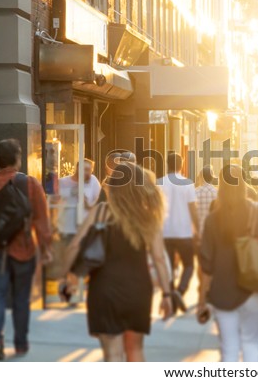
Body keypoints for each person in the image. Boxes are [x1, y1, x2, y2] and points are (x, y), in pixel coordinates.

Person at [64, 162, 173, 361]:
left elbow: (75, 246)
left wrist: (68, 276)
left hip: (104, 290)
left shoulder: (101, 211)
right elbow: (159, 258)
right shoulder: (148, 215)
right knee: (135, 350)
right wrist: (167, 294)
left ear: (113, 186)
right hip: (138, 290)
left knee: (112, 354)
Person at [0, 139, 53, 360]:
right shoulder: (30, 184)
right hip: (24, 248)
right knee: (21, 297)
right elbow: (41, 219)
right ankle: (20, 342)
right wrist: (46, 247)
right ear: (18, 158)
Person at [198, 165, 258, 362]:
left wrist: (202, 299)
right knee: (251, 343)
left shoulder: (212, 220)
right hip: (255, 289)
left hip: (223, 292)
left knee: (229, 348)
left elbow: (206, 266)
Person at [157, 152, 199, 312]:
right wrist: (198, 229)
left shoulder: (160, 183)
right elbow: (192, 209)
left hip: (165, 231)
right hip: (184, 232)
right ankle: (179, 291)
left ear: (167, 164)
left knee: (168, 267)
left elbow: (156, 208)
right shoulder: (187, 184)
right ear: (181, 165)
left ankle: (170, 297)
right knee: (189, 265)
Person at [57, 159, 101, 305]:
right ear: (77, 169)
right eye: (85, 170)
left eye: (90, 170)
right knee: (68, 260)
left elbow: (97, 204)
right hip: (67, 227)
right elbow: (54, 203)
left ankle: (73, 290)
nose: (88, 173)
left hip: (84, 229)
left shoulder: (93, 182)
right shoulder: (63, 182)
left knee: (79, 262)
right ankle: (70, 290)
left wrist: (85, 200)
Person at [195, 165, 218, 235]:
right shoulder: (218, 193)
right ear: (212, 177)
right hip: (214, 232)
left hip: (200, 232)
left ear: (202, 177)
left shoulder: (195, 192)